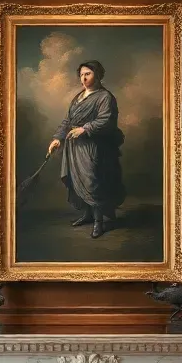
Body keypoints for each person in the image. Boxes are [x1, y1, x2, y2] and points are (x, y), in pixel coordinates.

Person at [47, 60, 125, 239]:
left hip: (93, 146)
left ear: (97, 75)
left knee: (91, 181)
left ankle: (99, 221)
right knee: (77, 180)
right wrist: (57, 138)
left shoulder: (105, 97)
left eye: (87, 74)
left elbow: (107, 120)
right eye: (81, 74)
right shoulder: (78, 97)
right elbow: (68, 120)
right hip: (73, 146)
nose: (83, 78)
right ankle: (88, 215)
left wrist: (85, 129)